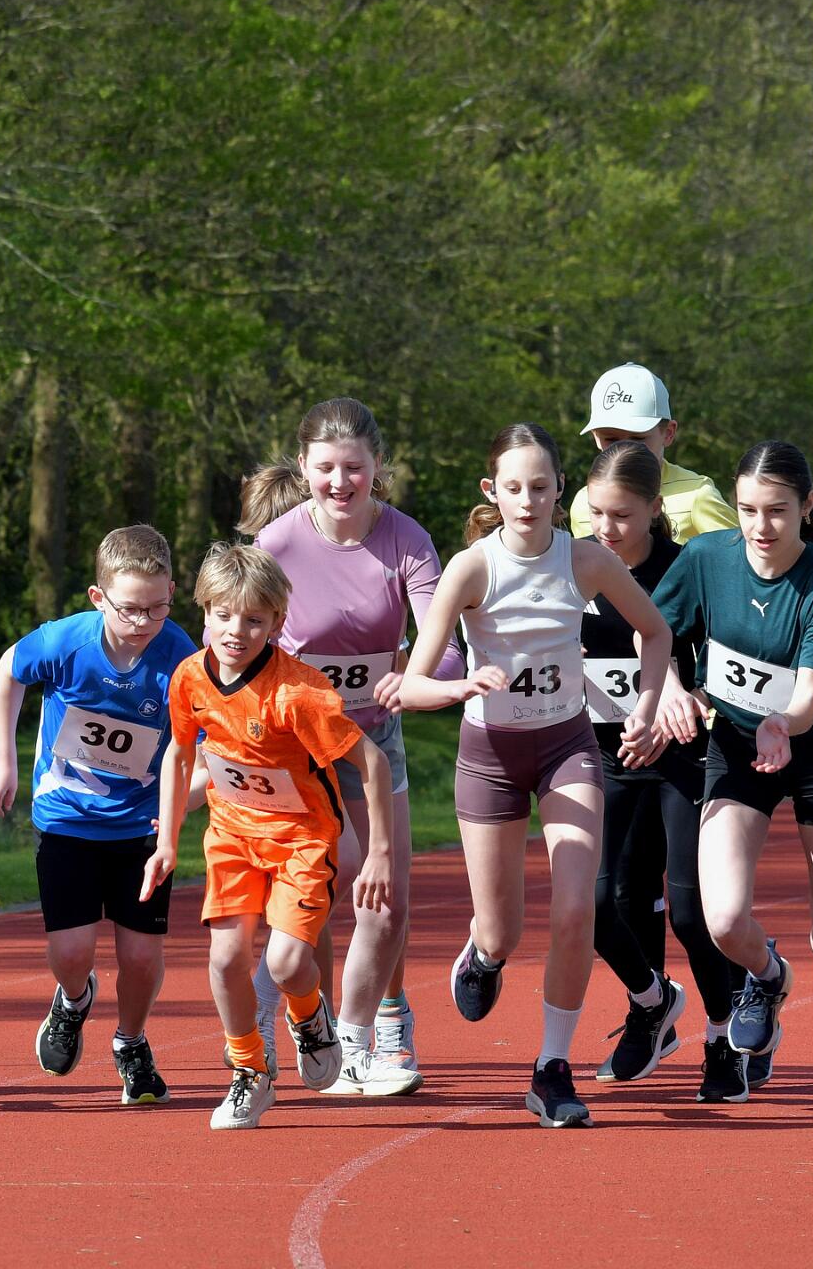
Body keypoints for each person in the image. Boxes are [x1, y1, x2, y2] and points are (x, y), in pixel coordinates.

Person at [387, 424, 671, 1128]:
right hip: (490, 755)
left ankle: (551, 1068)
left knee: (576, 908)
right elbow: (410, 686)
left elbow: (656, 631)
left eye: (540, 487)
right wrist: (458, 687)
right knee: (501, 932)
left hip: (567, 747)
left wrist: (646, 706)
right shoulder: (470, 569)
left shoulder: (587, 560)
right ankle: (483, 954)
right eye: (513, 488)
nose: (527, 500)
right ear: (493, 491)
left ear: (559, 490)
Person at [652, 441, 813, 1110]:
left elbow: (805, 700)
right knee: (721, 919)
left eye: (776, 510)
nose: (759, 526)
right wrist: (668, 688)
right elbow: (652, 632)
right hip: (736, 747)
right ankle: (768, 976)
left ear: (806, 506)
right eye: (747, 509)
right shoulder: (705, 558)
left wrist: (783, 723)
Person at [142, 542, 388, 1130]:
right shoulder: (190, 677)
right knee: (226, 958)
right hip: (231, 834)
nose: (236, 631)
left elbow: (372, 761)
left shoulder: (298, 693)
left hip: (302, 838)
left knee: (284, 962)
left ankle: (309, 1016)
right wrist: (168, 839)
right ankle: (250, 1072)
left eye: (254, 620)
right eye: (224, 615)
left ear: (278, 622)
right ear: (204, 611)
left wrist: (378, 851)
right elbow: (180, 753)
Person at [255, 397, 457, 1095]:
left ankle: (371, 1028)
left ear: (378, 468)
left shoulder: (407, 540)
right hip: (297, 745)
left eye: (354, 469)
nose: (339, 483)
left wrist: (418, 673)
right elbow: (234, 638)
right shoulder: (276, 545)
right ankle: (316, 1027)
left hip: (374, 735)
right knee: (321, 882)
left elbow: (443, 644)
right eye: (325, 469)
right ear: (303, 467)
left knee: (386, 894)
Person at [0, 524, 197, 1105]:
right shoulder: (67, 643)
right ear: (98, 598)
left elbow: (200, 747)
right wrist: (3, 759)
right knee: (72, 954)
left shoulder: (181, 657)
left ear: (172, 593)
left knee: (141, 954)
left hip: (142, 827)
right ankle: (74, 999)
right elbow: (10, 668)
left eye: (158, 607)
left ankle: (131, 1042)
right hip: (67, 819)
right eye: (130, 609)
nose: (144, 622)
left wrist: (180, 805)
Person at [575, 443, 742, 1097]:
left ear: (653, 508)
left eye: (621, 515)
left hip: (681, 757)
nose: (606, 528)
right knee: (600, 903)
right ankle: (651, 1004)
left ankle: (723, 1039)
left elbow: (730, 659)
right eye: (596, 513)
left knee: (692, 914)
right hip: (606, 755)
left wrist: (690, 696)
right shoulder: (575, 566)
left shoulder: (687, 568)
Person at [566, 363, 739, 542]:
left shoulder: (697, 495)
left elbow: (739, 554)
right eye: (611, 439)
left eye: (638, 438)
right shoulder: (583, 503)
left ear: (668, 433)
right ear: (595, 437)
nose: (624, 448)